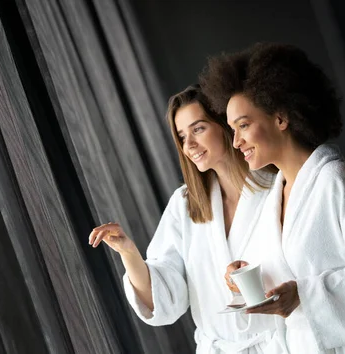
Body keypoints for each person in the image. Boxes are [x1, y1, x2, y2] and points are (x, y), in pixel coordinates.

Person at [200, 42, 345, 353]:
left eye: (244, 125)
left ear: (281, 118)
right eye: (233, 129)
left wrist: (305, 295)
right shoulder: (276, 195)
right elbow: (291, 269)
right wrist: (246, 273)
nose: (236, 142)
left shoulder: (336, 181)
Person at [88, 85, 285, 353]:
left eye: (198, 129)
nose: (189, 145)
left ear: (224, 125)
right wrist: (128, 251)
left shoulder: (277, 188)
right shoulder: (185, 205)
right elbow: (165, 297)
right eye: (182, 136)